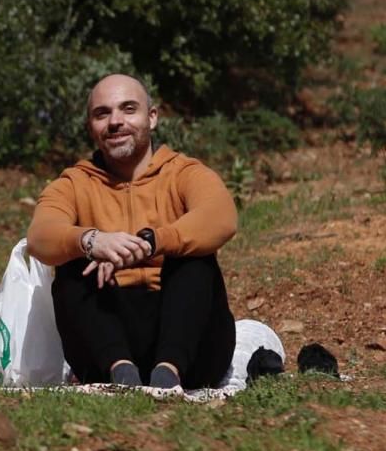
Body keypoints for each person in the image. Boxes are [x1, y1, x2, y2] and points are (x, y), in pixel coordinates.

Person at [26, 74, 237, 389]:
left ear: (152, 118)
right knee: (72, 262)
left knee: (195, 259)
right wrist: (90, 241)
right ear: (91, 127)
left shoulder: (184, 172)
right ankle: (120, 370)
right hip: (105, 341)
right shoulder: (74, 182)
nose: (115, 121)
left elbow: (221, 218)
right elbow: (40, 236)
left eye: (128, 109)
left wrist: (151, 243)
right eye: (102, 113)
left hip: (191, 342)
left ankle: (169, 370)